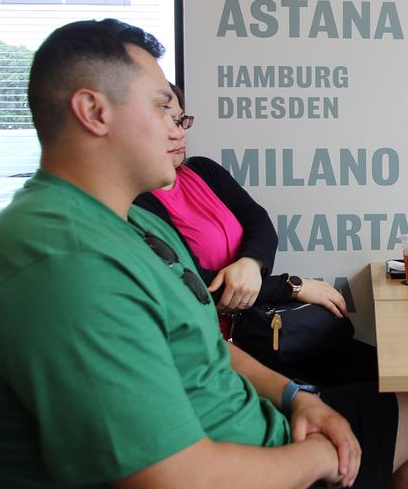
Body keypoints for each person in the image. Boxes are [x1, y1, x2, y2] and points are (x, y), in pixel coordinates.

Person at [0, 18, 408, 488]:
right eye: (161, 106)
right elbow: (174, 478)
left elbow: (208, 344)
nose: (176, 127)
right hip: (236, 459)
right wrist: (316, 458)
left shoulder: (132, 221)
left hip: (256, 424)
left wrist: (297, 398)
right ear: (94, 111)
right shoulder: (67, 263)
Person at [134, 84, 376, 386]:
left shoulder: (202, 171)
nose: (180, 133)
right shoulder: (138, 203)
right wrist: (293, 286)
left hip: (265, 331)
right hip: (224, 354)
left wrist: (250, 262)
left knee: (389, 378)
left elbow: (260, 224)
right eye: (167, 122)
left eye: (182, 121)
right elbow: (201, 288)